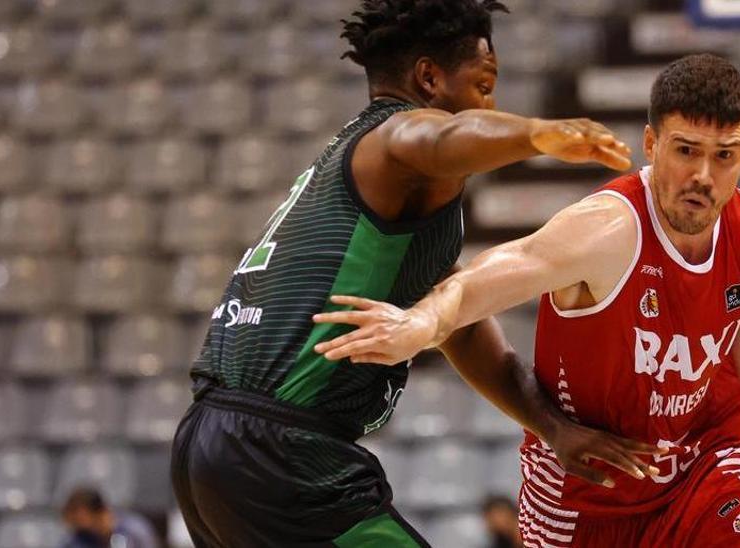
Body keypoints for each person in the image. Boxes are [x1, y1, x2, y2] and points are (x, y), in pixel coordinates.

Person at [313, 53, 740, 547]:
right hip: (584, 493)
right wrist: (421, 321)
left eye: (725, 156)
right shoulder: (608, 229)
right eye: (686, 151)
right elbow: (497, 270)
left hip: (698, 472)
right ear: (652, 145)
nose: (703, 176)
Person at [169, 1, 658, 546]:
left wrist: (553, 427)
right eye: (484, 84)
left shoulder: (376, 204)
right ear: (429, 78)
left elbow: (460, 323)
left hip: (211, 446)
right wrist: (537, 135)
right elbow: (440, 138)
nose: (490, 102)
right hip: (279, 454)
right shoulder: (395, 139)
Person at [60, 487, 159, 548]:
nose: (77, 525)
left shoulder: (136, 531)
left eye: (79, 519)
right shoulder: (81, 537)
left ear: (101, 512)